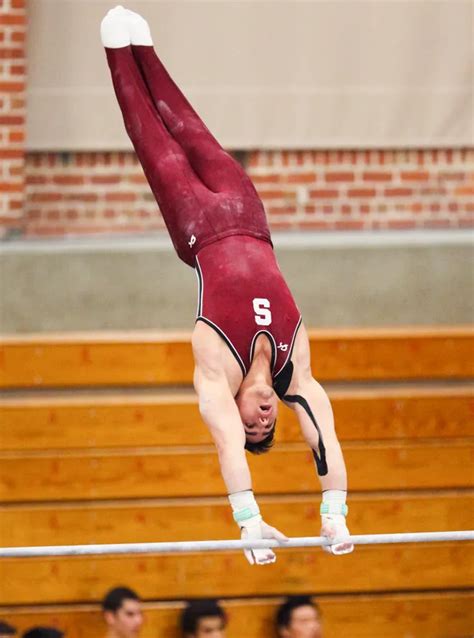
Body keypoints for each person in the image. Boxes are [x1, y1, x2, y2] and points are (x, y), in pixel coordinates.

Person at [100, 6, 353, 565]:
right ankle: (146, 48)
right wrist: (333, 511)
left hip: (197, 229)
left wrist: (249, 519)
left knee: (157, 141)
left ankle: (118, 53)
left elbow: (226, 446)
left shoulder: (217, 372)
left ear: (235, 410)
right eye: (269, 424)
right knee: (190, 124)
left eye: (251, 424)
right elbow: (325, 442)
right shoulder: (297, 372)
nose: (262, 417)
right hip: (252, 217)